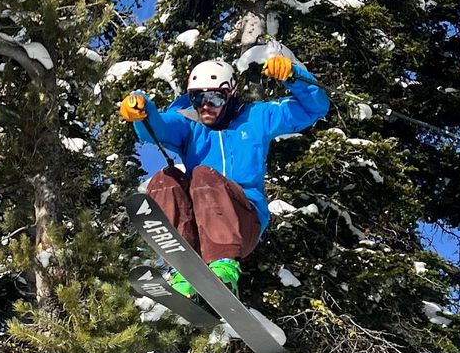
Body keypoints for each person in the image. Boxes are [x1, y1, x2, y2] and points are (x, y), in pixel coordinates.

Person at [119, 52, 329, 297]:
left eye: (214, 98)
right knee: (165, 179)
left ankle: (224, 265)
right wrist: (141, 107)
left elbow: (315, 108)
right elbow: (157, 127)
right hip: (199, 222)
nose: (205, 106)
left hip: (243, 221)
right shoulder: (189, 123)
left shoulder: (256, 117)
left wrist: (293, 76)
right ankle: (184, 267)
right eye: (198, 98)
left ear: (229, 94)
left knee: (202, 176)